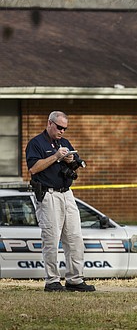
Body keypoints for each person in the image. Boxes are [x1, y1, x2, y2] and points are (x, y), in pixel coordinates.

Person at [25, 111, 95, 292]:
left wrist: (72, 160)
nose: (62, 131)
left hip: (67, 193)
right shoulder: (36, 143)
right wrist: (56, 156)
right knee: (51, 238)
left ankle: (75, 279)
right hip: (48, 195)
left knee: (74, 238)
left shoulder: (64, 143)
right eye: (59, 127)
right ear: (49, 123)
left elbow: (77, 163)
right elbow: (34, 168)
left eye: (65, 128)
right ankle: (52, 281)